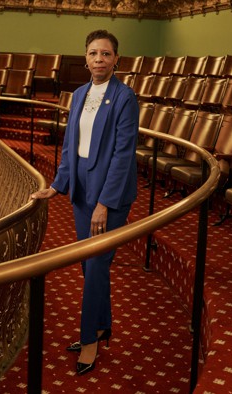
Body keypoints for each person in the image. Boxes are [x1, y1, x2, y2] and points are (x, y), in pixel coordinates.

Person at [30, 29, 139, 376]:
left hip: (110, 193)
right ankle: (102, 324)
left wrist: (105, 203)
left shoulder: (124, 97)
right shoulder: (77, 95)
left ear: (116, 60)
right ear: (85, 57)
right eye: (93, 53)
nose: (99, 60)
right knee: (89, 266)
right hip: (80, 190)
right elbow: (68, 145)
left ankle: (89, 338)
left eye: (106, 54)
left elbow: (123, 155)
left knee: (94, 267)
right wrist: (57, 185)